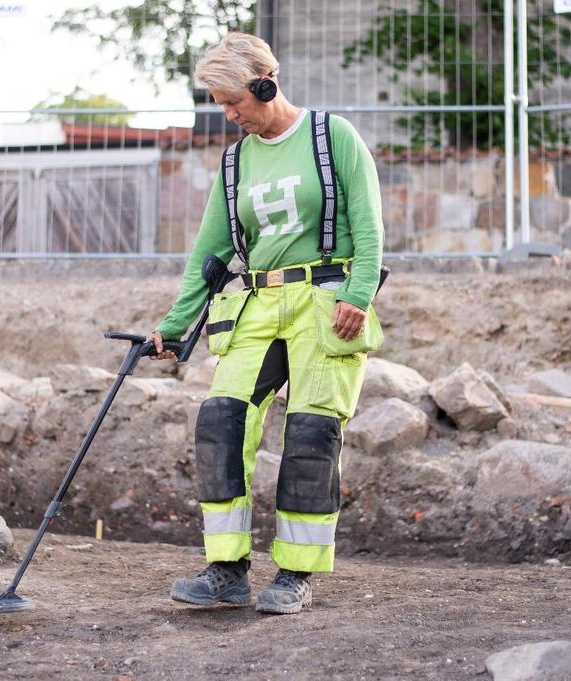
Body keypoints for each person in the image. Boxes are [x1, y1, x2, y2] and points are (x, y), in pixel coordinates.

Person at [148, 32, 384, 615]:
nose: (229, 115)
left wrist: (357, 294)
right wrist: (175, 328)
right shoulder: (234, 163)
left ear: (265, 85)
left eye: (235, 102)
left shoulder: (333, 137)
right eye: (221, 105)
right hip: (257, 306)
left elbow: (371, 228)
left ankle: (295, 575)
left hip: (325, 304)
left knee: (310, 433)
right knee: (220, 422)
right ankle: (226, 571)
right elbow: (209, 253)